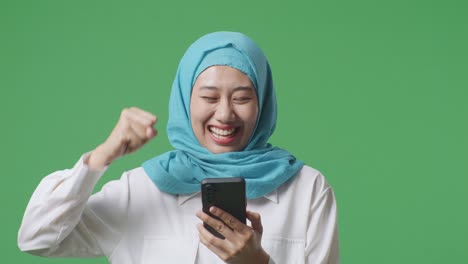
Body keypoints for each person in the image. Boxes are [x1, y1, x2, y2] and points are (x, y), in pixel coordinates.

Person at [18, 31, 339, 264]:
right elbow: (37, 238)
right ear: (186, 102)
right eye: (210, 98)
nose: (225, 114)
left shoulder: (307, 189)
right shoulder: (141, 189)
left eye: (242, 98)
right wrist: (101, 156)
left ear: (264, 103)